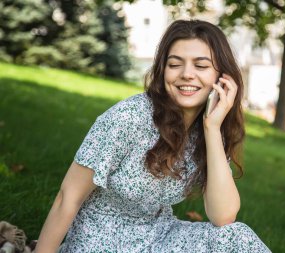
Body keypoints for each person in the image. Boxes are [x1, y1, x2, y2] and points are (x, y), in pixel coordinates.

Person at [35, 19, 271, 253]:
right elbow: (68, 197)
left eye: (201, 66)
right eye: (175, 64)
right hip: (100, 240)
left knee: (236, 237)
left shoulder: (209, 129)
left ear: (222, 78)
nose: (187, 74)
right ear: (162, 70)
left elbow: (224, 217)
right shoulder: (128, 118)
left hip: (160, 238)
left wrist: (212, 128)